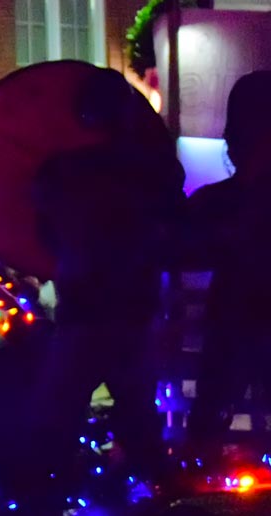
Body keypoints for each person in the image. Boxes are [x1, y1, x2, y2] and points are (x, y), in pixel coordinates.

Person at [27, 134, 184, 480]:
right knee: (135, 415)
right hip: (126, 313)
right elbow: (171, 224)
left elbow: (44, 230)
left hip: (91, 313)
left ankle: (46, 494)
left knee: (58, 415)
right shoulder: (144, 168)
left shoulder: (65, 170)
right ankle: (155, 493)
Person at [187, 71, 271, 453]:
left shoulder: (217, 201)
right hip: (232, 323)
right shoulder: (219, 201)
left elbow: (182, 248)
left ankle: (199, 464)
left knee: (210, 411)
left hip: (231, 321)